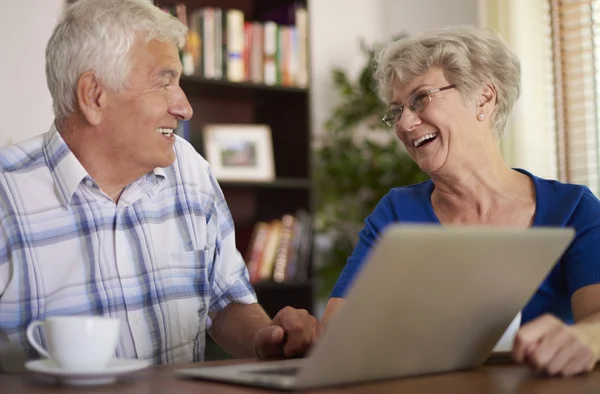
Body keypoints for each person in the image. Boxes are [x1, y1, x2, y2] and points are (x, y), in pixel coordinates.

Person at [0, 0, 319, 372]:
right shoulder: (7, 194)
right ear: (94, 95)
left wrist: (264, 338)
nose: (184, 107)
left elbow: (226, 300)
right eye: (164, 81)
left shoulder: (191, 171)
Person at [322, 25, 600, 377]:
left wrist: (588, 336)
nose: (405, 123)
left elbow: (597, 318)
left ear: (484, 98)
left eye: (420, 99)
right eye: (397, 111)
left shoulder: (572, 209)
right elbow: (337, 331)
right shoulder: (396, 213)